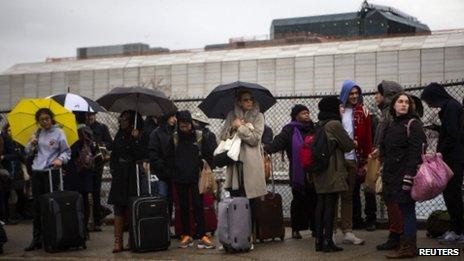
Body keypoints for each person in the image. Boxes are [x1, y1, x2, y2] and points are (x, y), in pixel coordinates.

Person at [381, 92, 426, 258]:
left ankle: (408, 247)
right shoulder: (393, 124)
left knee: (407, 210)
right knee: (402, 209)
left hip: (405, 175)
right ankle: (408, 246)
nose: (404, 104)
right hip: (392, 174)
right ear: (394, 105)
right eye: (400, 101)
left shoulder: (413, 124)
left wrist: (409, 176)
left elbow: (417, 152)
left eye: (407, 102)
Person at [264, 104, 317, 239]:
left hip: (314, 171)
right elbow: (277, 143)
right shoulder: (289, 130)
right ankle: (296, 229)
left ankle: (315, 228)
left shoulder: (314, 129)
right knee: (298, 200)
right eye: (303, 113)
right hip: (297, 172)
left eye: (307, 112)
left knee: (314, 199)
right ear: (296, 115)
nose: (307, 114)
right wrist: (264, 150)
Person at [421, 83, 464, 244]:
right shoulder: (451, 106)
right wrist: (439, 129)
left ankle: (458, 231)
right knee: (451, 194)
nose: (429, 104)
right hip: (453, 157)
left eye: (428, 100)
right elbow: (451, 130)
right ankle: (456, 228)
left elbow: (453, 134)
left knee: (452, 194)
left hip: (453, 158)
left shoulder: (451, 107)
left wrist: (439, 153)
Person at [166, 110, 216, 249]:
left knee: (198, 206)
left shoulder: (199, 137)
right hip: (180, 177)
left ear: (191, 124)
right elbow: (169, 157)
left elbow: (209, 155)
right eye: (182, 126)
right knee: (183, 207)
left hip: (196, 177)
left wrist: (206, 166)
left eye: (187, 126)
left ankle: (202, 235)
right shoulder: (174, 138)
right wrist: (172, 172)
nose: (184, 128)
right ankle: (186, 235)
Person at [24, 108, 71, 251]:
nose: (44, 122)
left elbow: (67, 152)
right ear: (38, 121)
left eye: (46, 118)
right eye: (41, 120)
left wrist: (60, 160)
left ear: (51, 118)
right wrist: (31, 143)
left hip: (51, 172)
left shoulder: (59, 133)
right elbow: (27, 151)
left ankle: (51, 237)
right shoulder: (37, 133)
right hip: (37, 172)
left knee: (50, 205)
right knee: (37, 206)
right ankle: (36, 239)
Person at [312, 96, 355, 252]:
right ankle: (328, 241)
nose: (342, 109)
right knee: (330, 205)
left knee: (321, 205)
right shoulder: (335, 124)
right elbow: (348, 145)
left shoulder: (320, 124)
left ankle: (319, 241)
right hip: (332, 170)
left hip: (319, 170)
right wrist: (352, 142)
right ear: (333, 108)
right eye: (340, 106)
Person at [337, 80, 373, 245]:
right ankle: (329, 232)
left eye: (356, 93)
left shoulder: (364, 111)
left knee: (348, 196)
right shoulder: (338, 111)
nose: (354, 96)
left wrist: (366, 160)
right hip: (336, 160)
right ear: (345, 94)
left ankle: (348, 232)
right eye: (351, 93)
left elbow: (367, 137)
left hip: (353, 159)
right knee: (332, 196)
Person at [108, 110, 148, 253]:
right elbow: (114, 154)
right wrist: (113, 169)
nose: (122, 120)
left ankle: (132, 239)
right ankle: (118, 241)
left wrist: (136, 139)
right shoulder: (119, 135)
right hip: (119, 174)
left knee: (131, 208)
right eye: (121, 118)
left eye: (125, 118)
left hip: (132, 175)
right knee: (118, 209)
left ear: (132, 121)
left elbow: (141, 154)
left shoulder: (139, 135)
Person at [371, 81, 405, 251]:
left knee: (393, 200)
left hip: (394, 164)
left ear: (388, 94)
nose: (376, 96)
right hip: (387, 161)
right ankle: (397, 233)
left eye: (378, 93)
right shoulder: (385, 112)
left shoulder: (391, 114)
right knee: (391, 199)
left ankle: (397, 235)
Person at [219, 89, 267, 199]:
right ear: (239, 102)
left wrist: (240, 127)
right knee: (236, 200)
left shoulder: (259, 116)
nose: (249, 102)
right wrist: (233, 127)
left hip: (251, 162)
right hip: (234, 161)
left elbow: (255, 139)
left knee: (252, 201)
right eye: (245, 100)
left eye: (251, 99)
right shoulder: (232, 115)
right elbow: (222, 136)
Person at [63, 112, 96, 239]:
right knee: (85, 199)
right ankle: (85, 229)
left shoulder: (73, 133)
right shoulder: (89, 131)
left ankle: (76, 228)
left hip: (74, 170)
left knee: (73, 199)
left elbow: (72, 152)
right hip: (86, 170)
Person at [85, 112, 113, 232]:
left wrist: (100, 145)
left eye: (92, 115)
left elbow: (110, 144)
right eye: (87, 115)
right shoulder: (82, 128)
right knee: (85, 193)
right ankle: (85, 222)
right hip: (85, 165)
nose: (90, 117)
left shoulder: (101, 127)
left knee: (96, 192)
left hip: (97, 164)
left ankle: (97, 221)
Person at [148, 111, 176, 217]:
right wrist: (163, 168)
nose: (175, 119)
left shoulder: (175, 132)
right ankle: (163, 226)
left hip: (174, 173)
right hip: (162, 174)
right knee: (163, 200)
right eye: (172, 117)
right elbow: (153, 154)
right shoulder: (156, 134)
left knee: (171, 200)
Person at [1, 123, 25, 223]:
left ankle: (10, 216)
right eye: (9, 130)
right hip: (7, 171)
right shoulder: (5, 138)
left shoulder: (9, 139)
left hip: (10, 171)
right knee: (6, 194)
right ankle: (7, 217)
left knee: (12, 194)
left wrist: (3, 157)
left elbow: (17, 156)